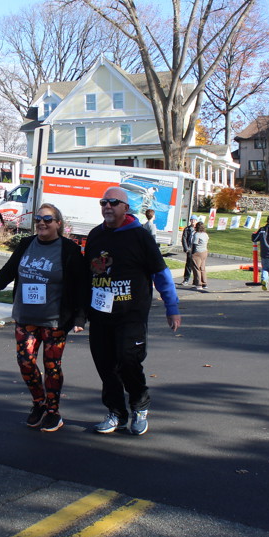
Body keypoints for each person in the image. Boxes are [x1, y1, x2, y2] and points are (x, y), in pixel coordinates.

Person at [84, 186, 181, 436]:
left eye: (113, 202)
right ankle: (116, 412)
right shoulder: (95, 235)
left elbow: (161, 273)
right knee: (105, 366)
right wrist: (80, 312)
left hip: (131, 315)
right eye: (104, 202)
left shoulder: (140, 236)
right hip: (100, 314)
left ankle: (140, 406)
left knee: (128, 361)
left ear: (126, 208)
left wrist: (172, 307)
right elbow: (86, 275)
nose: (107, 206)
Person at [0, 204, 87, 432]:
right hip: (25, 316)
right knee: (25, 361)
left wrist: (80, 318)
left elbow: (81, 285)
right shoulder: (26, 244)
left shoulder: (68, 249)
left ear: (58, 223)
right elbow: (10, 268)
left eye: (47, 219)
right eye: (38, 219)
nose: (41, 223)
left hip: (55, 320)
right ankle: (39, 403)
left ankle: (53, 411)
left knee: (51, 366)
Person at [191, 221, 209, 291]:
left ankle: (198, 284)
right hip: (204, 252)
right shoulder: (205, 234)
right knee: (202, 268)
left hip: (197, 252)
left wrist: (192, 254)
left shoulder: (197, 234)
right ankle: (204, 283)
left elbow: (194, 244)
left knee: (196, 268)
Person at [180, 216, 197, 286]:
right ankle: (186, 279)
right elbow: (184, 238)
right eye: (192, 220)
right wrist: (186, 248)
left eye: (194, 220)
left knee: (196, 265)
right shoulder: (187, 229)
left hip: (196, 249)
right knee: (188, 265)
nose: (193, 221)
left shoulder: (198, 229)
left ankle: (196, 280)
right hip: (189, 249)